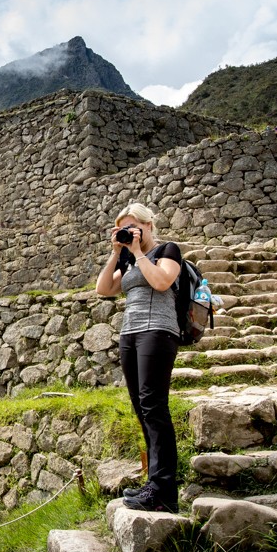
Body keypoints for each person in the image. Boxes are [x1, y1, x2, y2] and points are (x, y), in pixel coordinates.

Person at [94, 202, 184, 512]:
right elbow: (103, 289)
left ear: (148, 226)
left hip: (158, 331)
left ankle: (164, 490)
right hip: (130, 335)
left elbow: (162, 282)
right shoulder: (129, 260)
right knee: (141, 407)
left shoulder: (167, 250)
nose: (130, 233)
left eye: (134, 227)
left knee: (154, 405)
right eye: (124, 229)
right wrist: (117, 252)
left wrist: (140, 251)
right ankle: (154, 484)